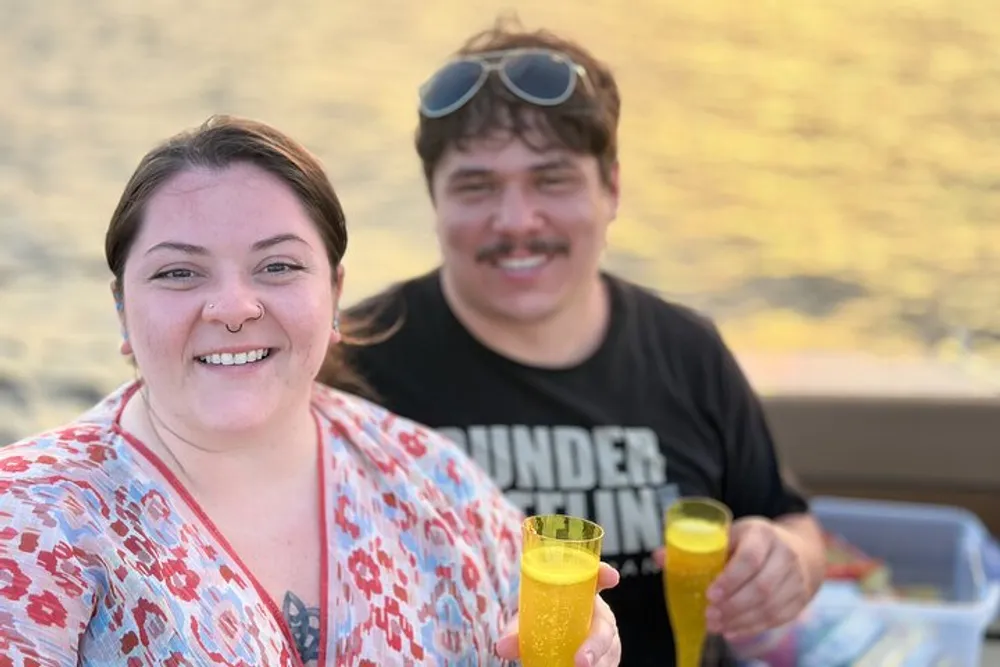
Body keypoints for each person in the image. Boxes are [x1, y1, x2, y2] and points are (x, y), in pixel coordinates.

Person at [0, 115, 622, 666]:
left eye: (278, 266)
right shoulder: (31, 518)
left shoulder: (439, 485)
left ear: (335, 294)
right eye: (178, 272)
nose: (234, 307)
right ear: (121, 311)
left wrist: (579, 644)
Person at [336, 20, 826, 667]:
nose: (515, 221)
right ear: (436, 199)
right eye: (476, 185)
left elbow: (792, 522)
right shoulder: (355, 361)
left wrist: (787, 558)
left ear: (611, 189)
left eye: (552, 179)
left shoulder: (687, 350)